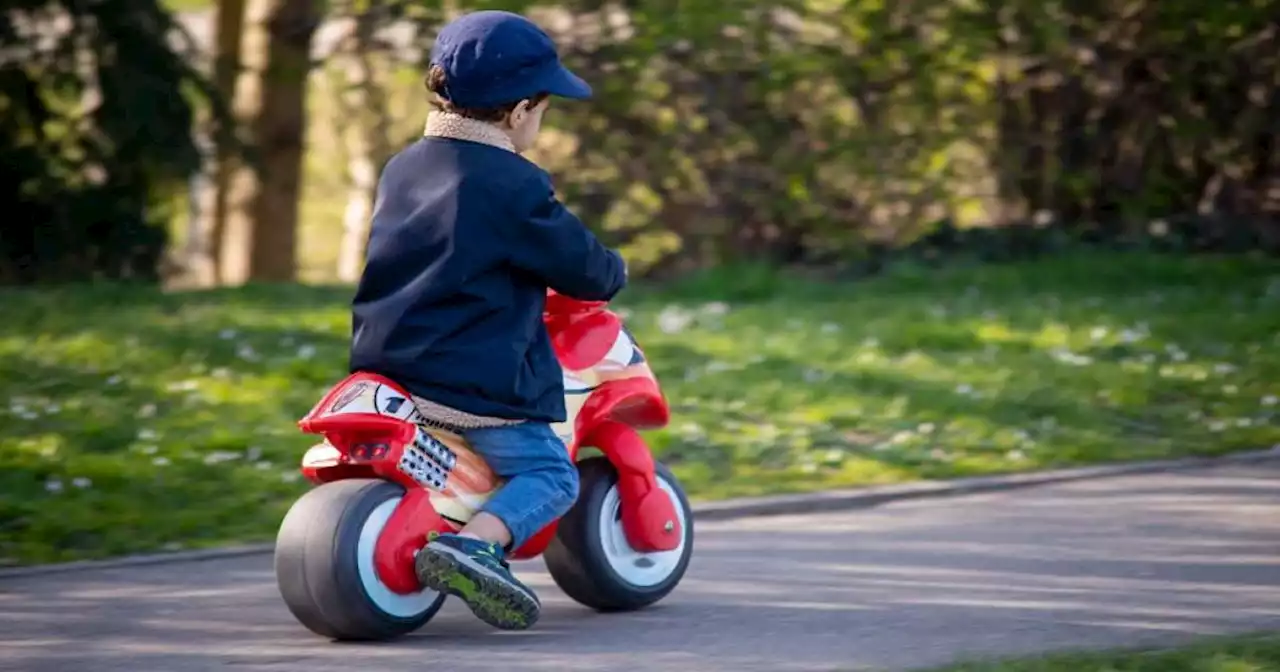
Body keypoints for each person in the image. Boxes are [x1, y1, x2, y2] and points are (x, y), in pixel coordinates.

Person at [347, 10, 627, 630]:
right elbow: (581, 265)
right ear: (520, 109)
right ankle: (475, 544)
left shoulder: (404, 168)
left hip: (388, 367)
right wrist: (613, 270)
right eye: (545, 110)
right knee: (553, 473)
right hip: (471, 384)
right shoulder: (513, 185)